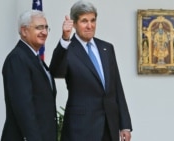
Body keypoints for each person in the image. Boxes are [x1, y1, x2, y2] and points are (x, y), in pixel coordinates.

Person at [49, 0, 132, 141]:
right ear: (74, 24)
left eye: (93, 20)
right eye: (84, 21)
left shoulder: (107, 48)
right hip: (81, 128)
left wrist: (125, 125)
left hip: (109, 126)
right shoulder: (68, 49)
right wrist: (64, 38)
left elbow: (116, 86)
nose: (90, 26)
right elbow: (55, 72)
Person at [1, 10, 57, 141]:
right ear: (24, 31)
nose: (44, 32)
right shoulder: (17, 59)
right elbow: (24, 108)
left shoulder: (34, 58)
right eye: (39, 27)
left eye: (46, 27)